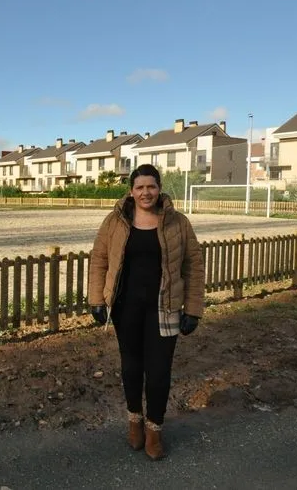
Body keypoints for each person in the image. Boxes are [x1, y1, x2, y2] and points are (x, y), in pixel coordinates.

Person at [87, 164, 204, 461]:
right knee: (131, 368)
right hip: (126, 308)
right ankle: (134, 422)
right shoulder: (116, 221)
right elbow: (99, 258)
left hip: (164, 308)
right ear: (131, 191)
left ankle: (155, 430)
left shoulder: (178, 222)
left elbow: (193, 265)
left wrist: (193, 309)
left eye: (151, 186)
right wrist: (96, 300)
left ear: (159, 188)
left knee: (159, 372)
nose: (145, 192)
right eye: (139, 187)